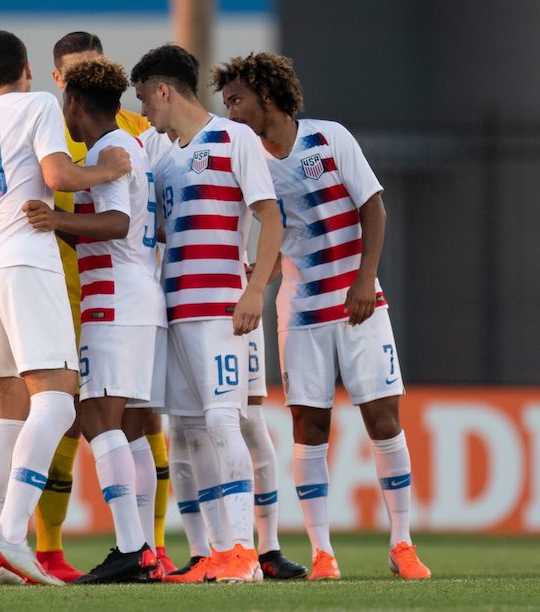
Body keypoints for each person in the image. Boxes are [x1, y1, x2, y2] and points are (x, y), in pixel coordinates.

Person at [213, 51, 430, 581]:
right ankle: (322, 553)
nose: (231, 113)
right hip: (301, 313)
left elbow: (372, 207)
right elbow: (252, 235)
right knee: (310, 426)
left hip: (359, 308)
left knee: (383, 419)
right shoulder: (248, 162)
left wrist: (364, 279)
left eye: (237, 100)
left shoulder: (329, 138)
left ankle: (402, 543)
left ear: (267, 95)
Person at [0, 30, 130, 586]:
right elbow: (57, 176)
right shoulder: (38, 104)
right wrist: (108, 169)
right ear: (27, 68)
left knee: (3, 418)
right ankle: (8, 536)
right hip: (28, 261)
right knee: (56, 401)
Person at [131, 43, 283, 584]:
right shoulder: (155, 148)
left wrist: (254, 290)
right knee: (189, 433)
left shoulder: (235, 138)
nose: (145, 114)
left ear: (165, 91)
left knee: (223, 422)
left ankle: (244, 550)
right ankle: (217, 553)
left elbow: (270, 218)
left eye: (147, 102)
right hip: (174, 308)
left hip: (221, 304)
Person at [35, 31, 175, 582]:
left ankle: (131, 548)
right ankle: (142, 548)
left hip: (113, 301)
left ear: (72, 102)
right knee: (133, 427)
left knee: (96, 419)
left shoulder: (103, 152)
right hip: (138, 295)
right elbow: (135, 227)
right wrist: (63, 235)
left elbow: (116, 223)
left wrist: (55, 220)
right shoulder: (134, 144)